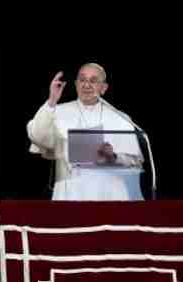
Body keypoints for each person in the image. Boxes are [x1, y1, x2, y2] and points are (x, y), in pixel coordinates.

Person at [26, 63, 144, 201]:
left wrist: (113, 156)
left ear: (104, 88)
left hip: (111, 193)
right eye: (82, 80)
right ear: (76, 84)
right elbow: (38, 136)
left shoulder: (120, 118)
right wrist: (52, 100)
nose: (86, 85)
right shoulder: (58, 111)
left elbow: (134, 161)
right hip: (71, 192)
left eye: (93, 81)